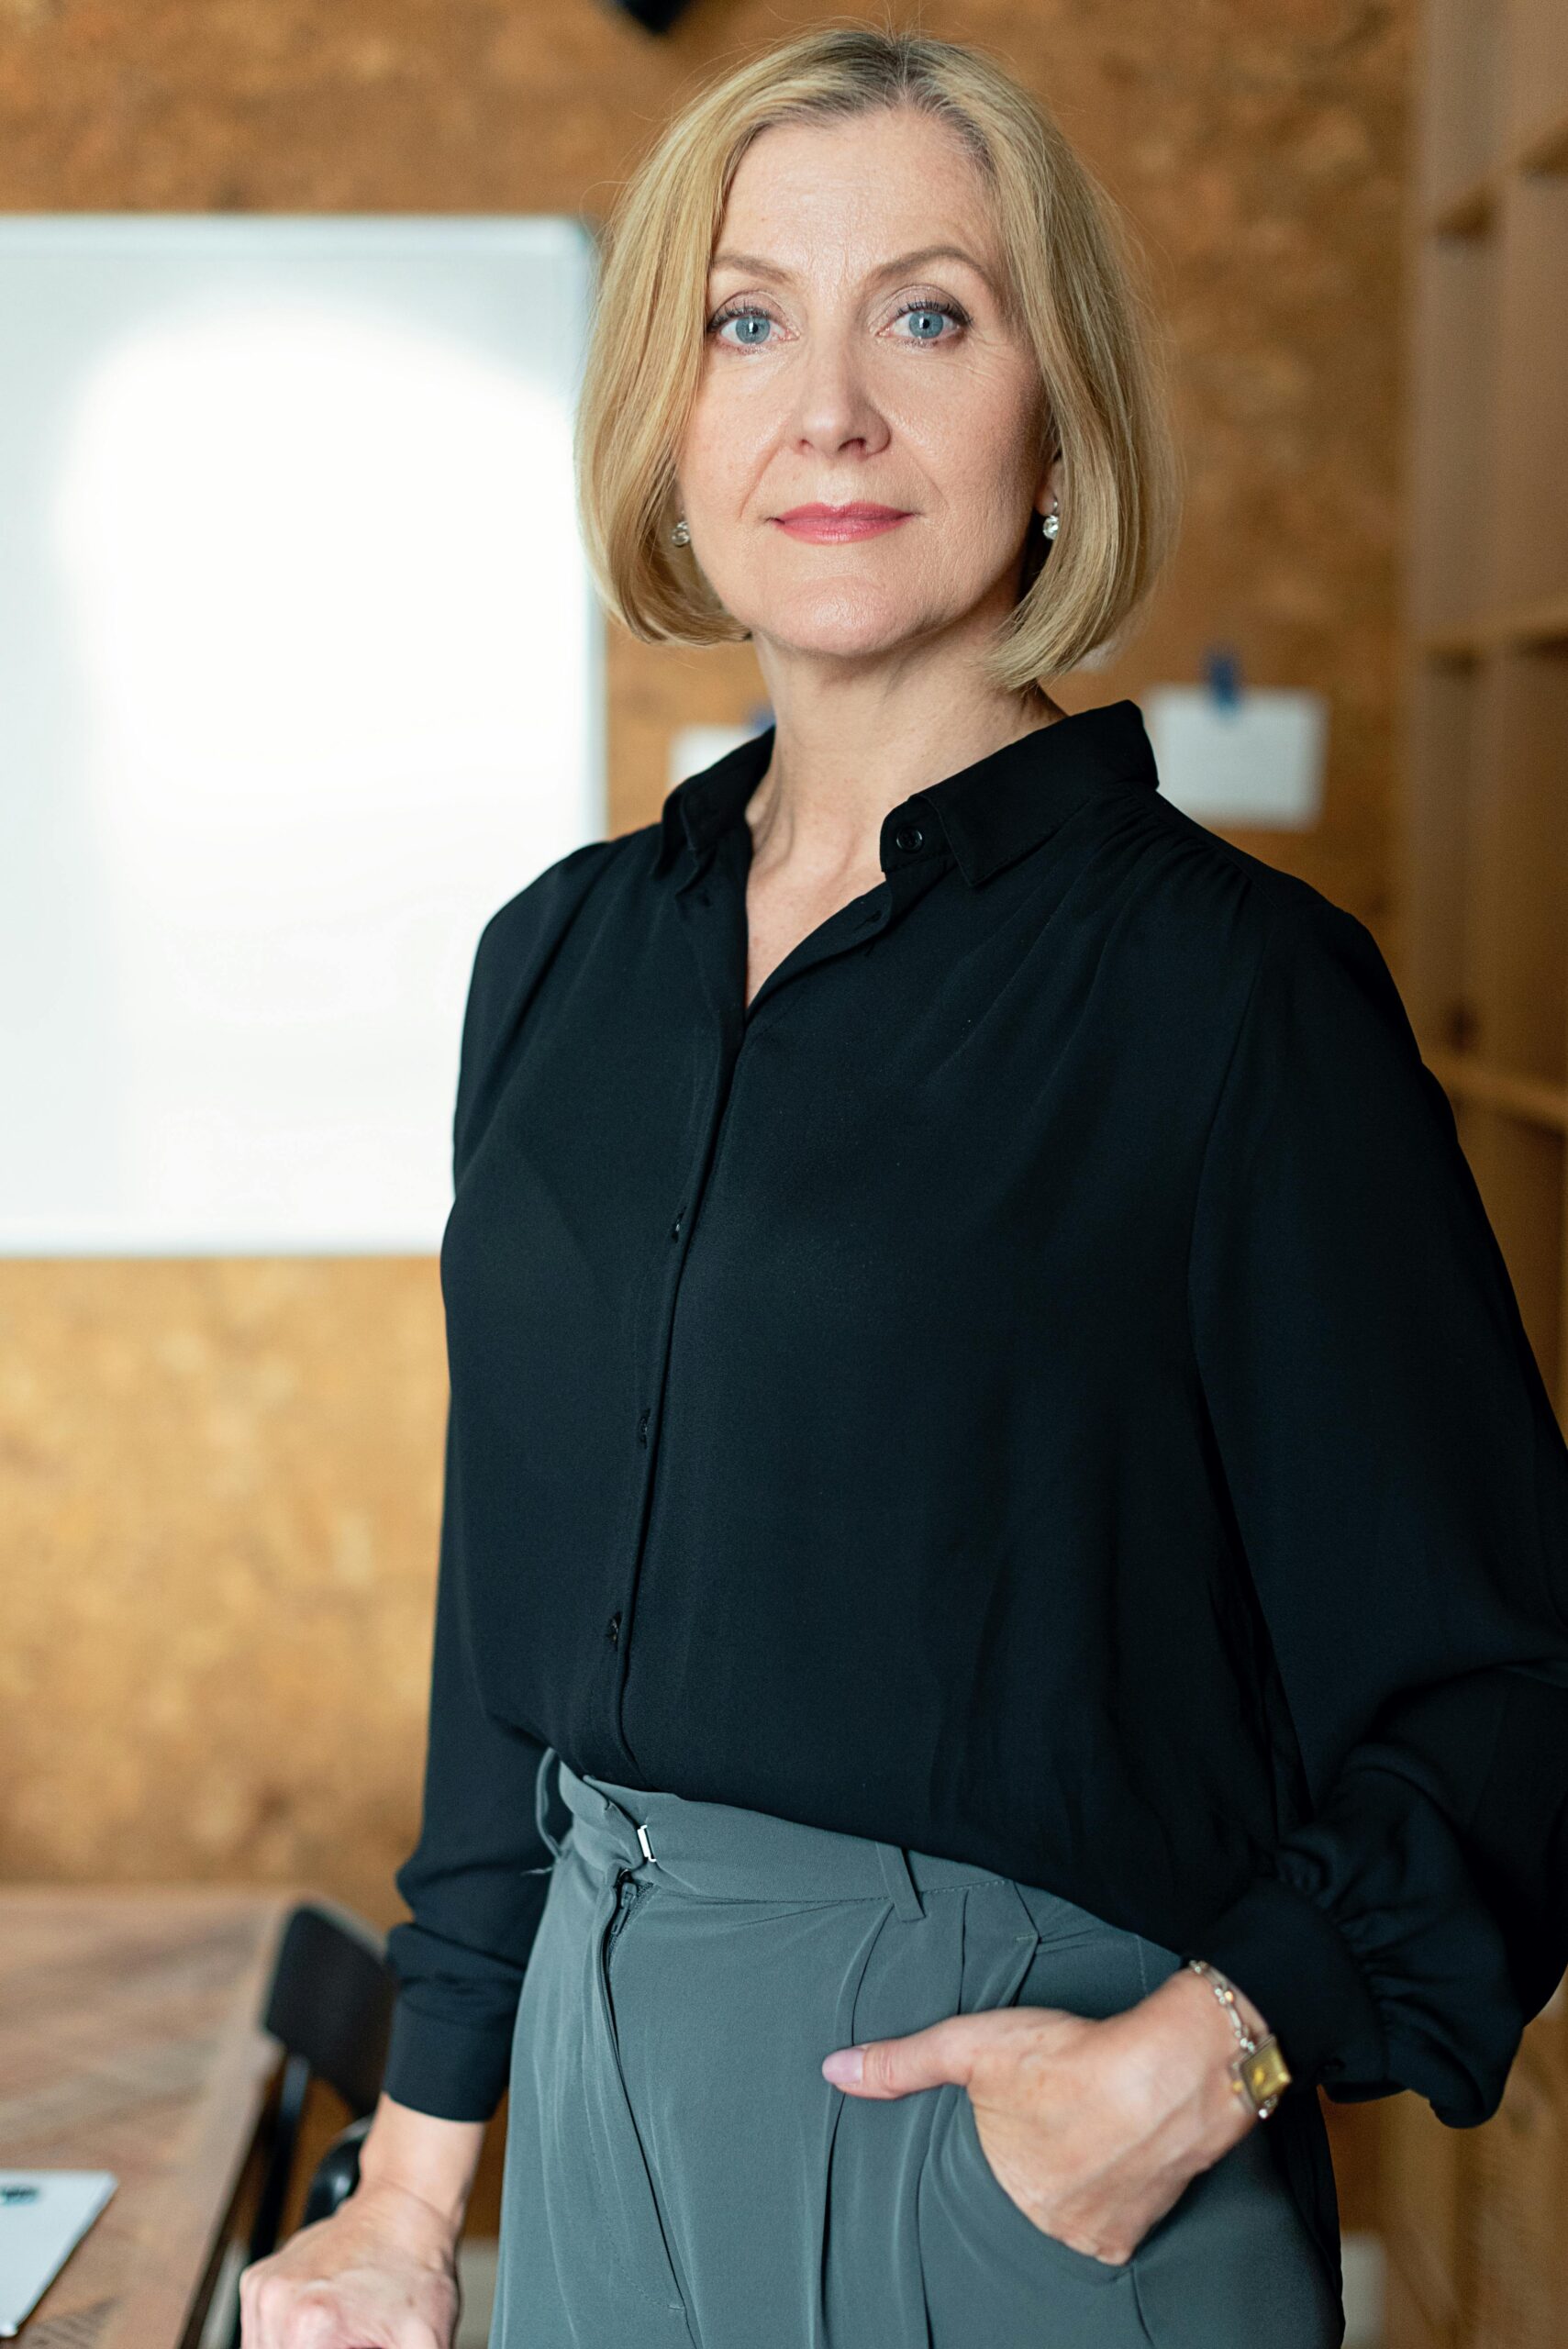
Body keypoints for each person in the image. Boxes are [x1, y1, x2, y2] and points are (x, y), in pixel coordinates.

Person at [239, 25, 1568, 2349]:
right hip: (598, 2124)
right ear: (670, 407)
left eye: (927, 316)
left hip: (1026, 2156)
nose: (824, 410)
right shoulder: (556, 965)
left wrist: (1194, 2062)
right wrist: (415, 2187)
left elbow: (1513, 1679)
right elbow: (506, 1650)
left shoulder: (1235, 1001)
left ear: (1058, 422)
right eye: (747, 320)